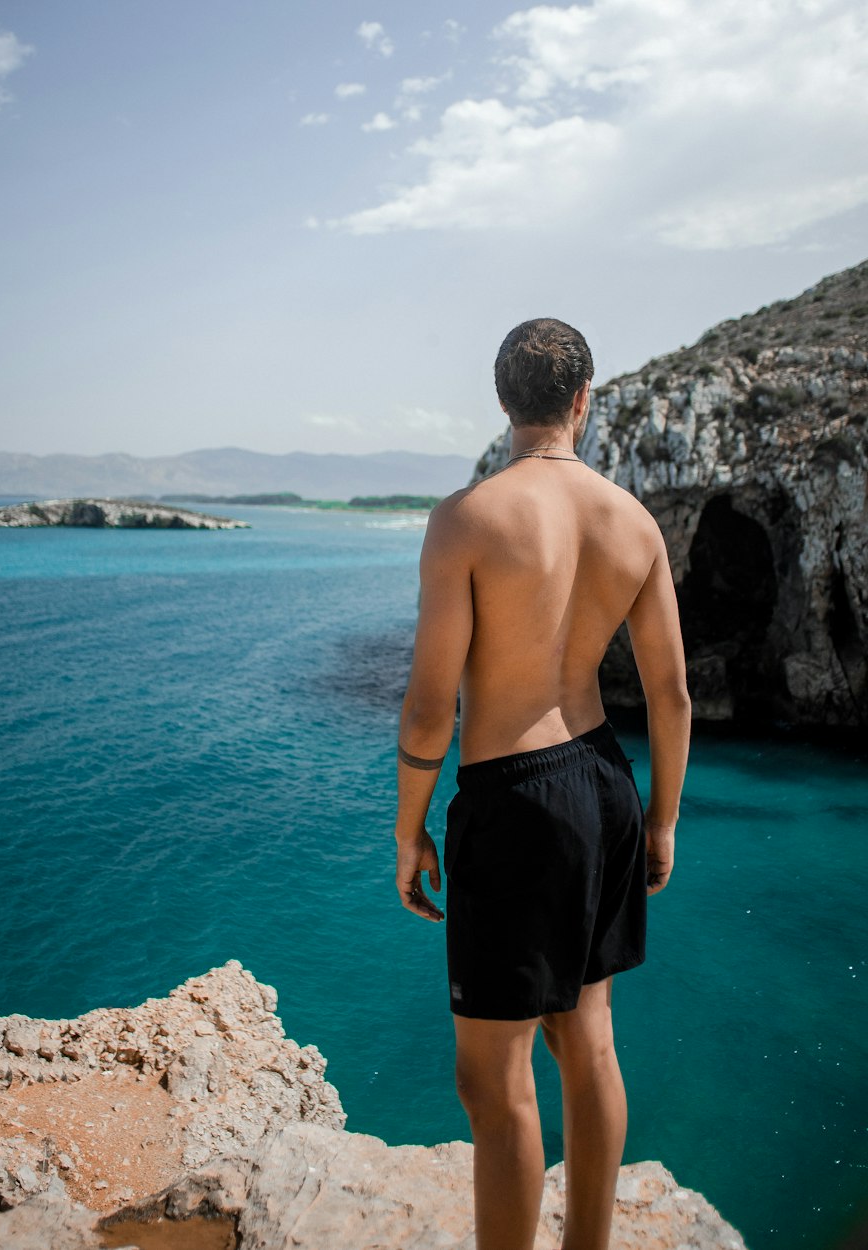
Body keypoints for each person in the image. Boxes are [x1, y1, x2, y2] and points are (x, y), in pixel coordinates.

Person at [393, 318, 690, 1250]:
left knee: (493, 1077)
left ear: (502, 401)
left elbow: (430, 707)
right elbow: (673, 694)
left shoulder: (468, 519)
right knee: (586, 1036)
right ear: (581, 400)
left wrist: (409, 832)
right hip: (604, 786)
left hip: (514, 799)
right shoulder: (632, 521)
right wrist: (663, 822)